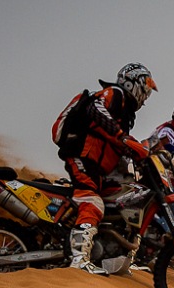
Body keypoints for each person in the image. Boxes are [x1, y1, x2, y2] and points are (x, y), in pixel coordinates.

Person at [51, 62, 156, 274]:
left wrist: (137, 153)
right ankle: (78, 259)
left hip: (99, 169)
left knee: (123, 201)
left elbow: (116, 142)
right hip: (82, 156)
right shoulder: (115, 93)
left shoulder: (125, 113)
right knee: (93, 202)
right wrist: (123, 138)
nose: (146, 95)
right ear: (132, 82)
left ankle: (115, 257)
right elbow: (95, 109)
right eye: (145, 86)